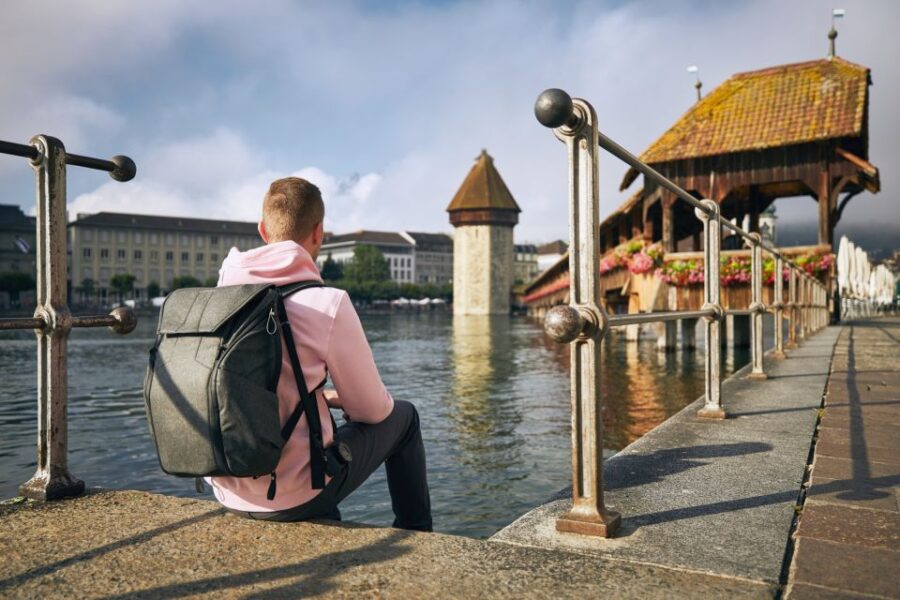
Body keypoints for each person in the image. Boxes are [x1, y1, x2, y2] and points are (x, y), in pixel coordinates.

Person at [208, 176, 432, 532]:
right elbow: (372, 411)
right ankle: (417, 534)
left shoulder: (218, 298)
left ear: (263, 230)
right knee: (404, 417)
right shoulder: (327, 303)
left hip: (225, 486)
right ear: (319, 233)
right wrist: (339, 399)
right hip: (297, 494)